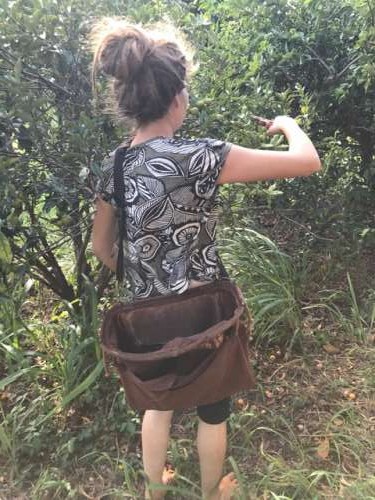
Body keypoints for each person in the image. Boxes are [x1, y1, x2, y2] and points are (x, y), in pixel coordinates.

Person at [90, 19, 321, 500]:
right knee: (213, 406)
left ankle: (154, 491)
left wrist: (145, 280)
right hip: (206, 309)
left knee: (158, 404)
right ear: (177, 96)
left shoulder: (114, 165)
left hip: (147, 310)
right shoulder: (202, 156)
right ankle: (213, 490)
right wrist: (289, 125)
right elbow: (306, 161)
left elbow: (100, 247)